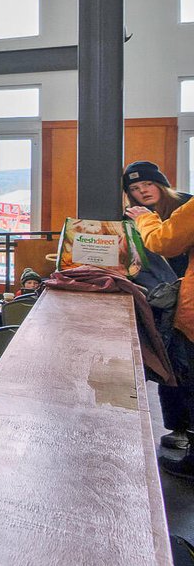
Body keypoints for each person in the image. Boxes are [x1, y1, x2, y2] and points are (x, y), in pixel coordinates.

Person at [125, 160, 194, 458]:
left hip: (184, 299)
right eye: (135, 188)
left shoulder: (186, 206)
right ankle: (179, 429)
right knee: (172, 365)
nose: (142, 191)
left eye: (148, 184)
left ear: (161, 184)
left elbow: (163, 242)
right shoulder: (130, 218)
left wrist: (146, 220)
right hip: (165, 300)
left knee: (183, 365)